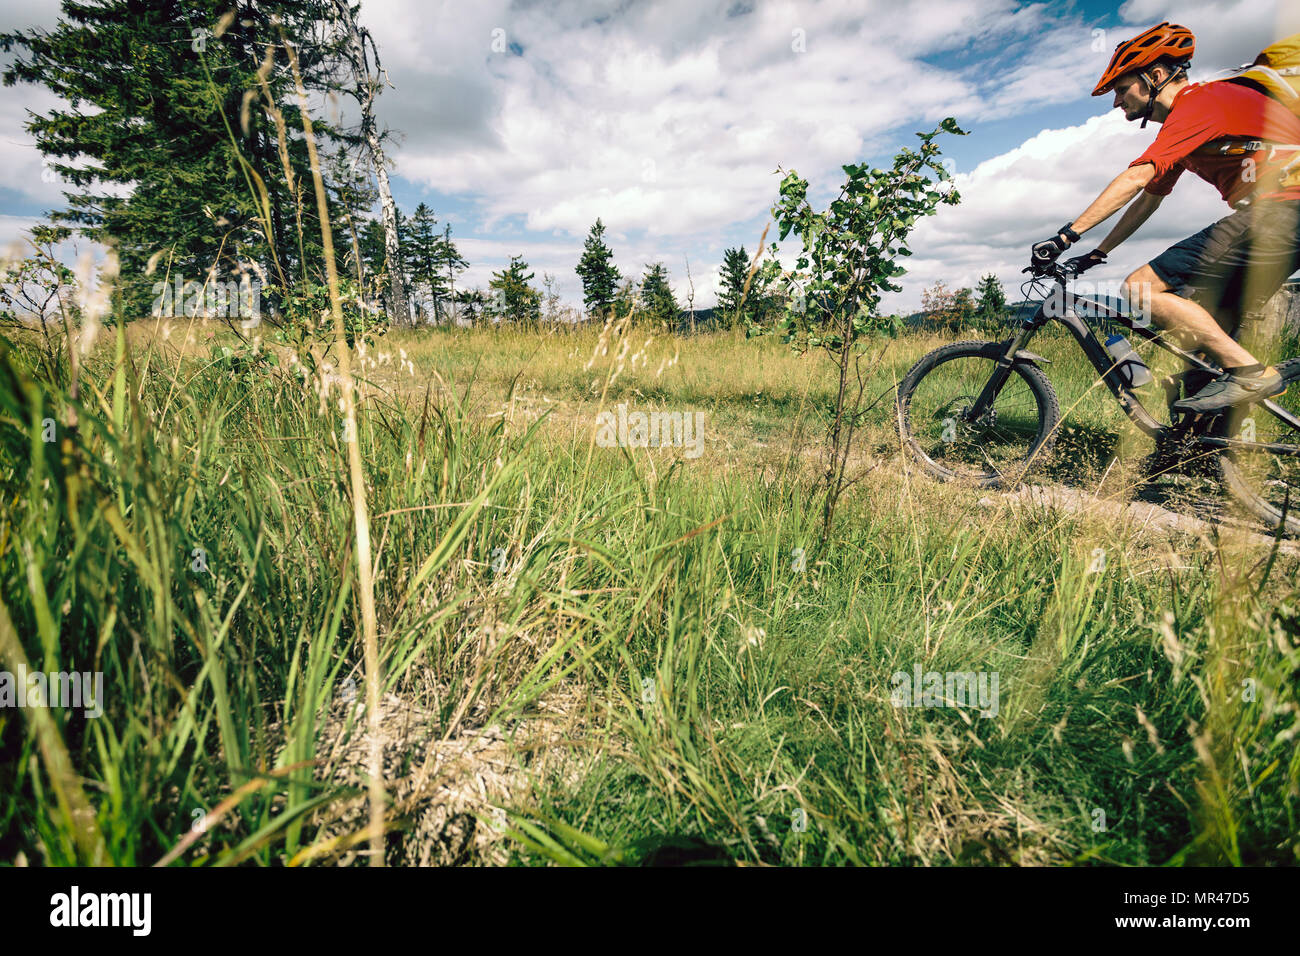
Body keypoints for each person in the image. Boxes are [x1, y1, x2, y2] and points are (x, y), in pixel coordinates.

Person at [1030, 21, 1300, 413]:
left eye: (1122, 89)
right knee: (1203, 339)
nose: (1116, 102)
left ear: (1156, 76)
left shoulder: (1201, 104)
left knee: (1141, 289)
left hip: (1282, 211)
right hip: (1282, 221)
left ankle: (1252, 373)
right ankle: (1201, 449)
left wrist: (1066, 236)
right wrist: (1097, 252)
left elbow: (1137, 177)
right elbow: (1149, 198)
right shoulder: (1189, 125)